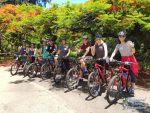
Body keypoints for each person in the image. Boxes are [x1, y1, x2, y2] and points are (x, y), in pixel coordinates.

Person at [110, 31, 139, 96]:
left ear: (125, 37)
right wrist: (111, 57)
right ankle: (122, 86)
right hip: (123, 59)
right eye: (120, 36)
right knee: (123, 73)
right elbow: (114, 52)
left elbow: (133, 52)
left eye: (123, 36)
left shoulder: (129, 43)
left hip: (131, 59)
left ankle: (132, 89)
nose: (121, 37)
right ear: (118, 37)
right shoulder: (118, 45)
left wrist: (133, 47)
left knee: (132, 74)